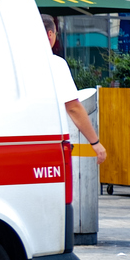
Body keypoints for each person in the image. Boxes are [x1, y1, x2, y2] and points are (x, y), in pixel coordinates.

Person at [44, 14, 107, 164]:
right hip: (49, 142)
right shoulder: (55, 64)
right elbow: (73, 107)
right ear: (50, 34)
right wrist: (95, 143)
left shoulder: (11, 64)